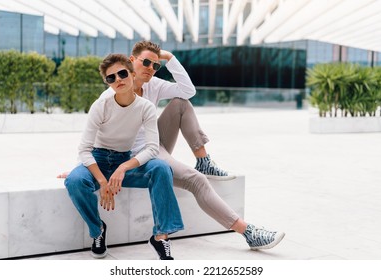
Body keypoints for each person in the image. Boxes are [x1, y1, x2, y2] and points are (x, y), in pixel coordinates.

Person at [60, 41, 285, 251]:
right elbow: (98, 139)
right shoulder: (111, 94)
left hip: (155, 143)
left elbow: (188, 91)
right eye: (145, 62)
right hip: (140, 154)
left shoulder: (154, 84)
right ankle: (248, 232)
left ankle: (203, 160)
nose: (150, 68)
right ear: (131, 61)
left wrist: (171, 58)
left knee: (180, 103)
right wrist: (82, 168)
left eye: (155, 65)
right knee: (196, 180)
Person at [64, 53, 183, 260]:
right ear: (107, 82)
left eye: (122, 73)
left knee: (162, 168)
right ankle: (97, 230)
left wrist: (123, 167)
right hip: (98, 159)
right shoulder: (101, 105)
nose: (118, 79)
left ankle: (160, 237)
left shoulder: (145, 107)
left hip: (124, 160)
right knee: (74, 181)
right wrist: (102, 181)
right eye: (111, 77)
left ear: (131, 73)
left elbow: (152, 148)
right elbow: (84, 149)